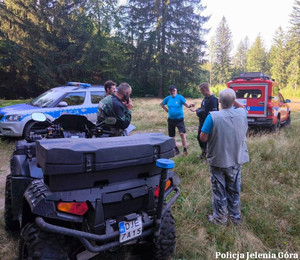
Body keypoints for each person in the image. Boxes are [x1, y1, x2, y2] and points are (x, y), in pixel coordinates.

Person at [200, 88, 249, 225]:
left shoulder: (213, 117)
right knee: (234, 190)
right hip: (236, 159)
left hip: (218, 160)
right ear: (234, 101)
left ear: (219, 101)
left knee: (219, 191)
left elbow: (203, 138)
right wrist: (233, 101)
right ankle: (235, 217)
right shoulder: (242, 114)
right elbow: (242, 107)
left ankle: (220, 219)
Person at [160, 85, 195, 156]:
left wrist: (190, 105)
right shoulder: (168, 98)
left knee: (182, 133)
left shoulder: (180, 97)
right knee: (172, 136)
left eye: (174, 90)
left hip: (179, 119)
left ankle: (185, 149)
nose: (173, 92)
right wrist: (166, 109)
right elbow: (161, 103)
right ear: (169, 92)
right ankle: (176, 149)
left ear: (176, 90)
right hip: (171, 119)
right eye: (171, 91)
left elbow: (186, 105)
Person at [190, 82, 219, 160]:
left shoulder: (213, 100)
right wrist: (197, 109)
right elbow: (203, 108)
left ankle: (209, 156)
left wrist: (198, 112)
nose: (201, 93)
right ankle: (204, 153)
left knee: (208, 140)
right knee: (199, 138)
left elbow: (211, 113)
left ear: (205, 90)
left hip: (209, 123)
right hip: (202, 122)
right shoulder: (205, 98)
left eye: (201, 91)